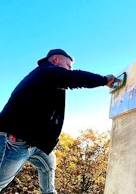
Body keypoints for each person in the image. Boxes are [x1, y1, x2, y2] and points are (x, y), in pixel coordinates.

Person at [0, 49, 115, 193]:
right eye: (68, 65)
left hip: (35, 144)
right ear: (55, 59)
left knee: (48, 164)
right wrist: (104, 80)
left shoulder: (48, 79)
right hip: (14, 141)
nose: (70, 69)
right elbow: (74, 78)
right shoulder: (46, 72)